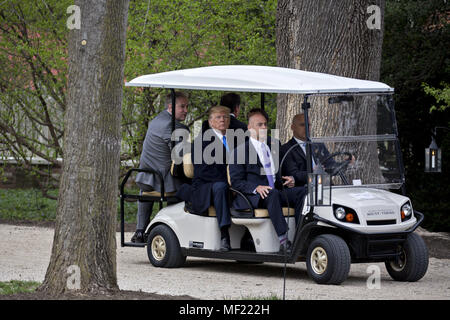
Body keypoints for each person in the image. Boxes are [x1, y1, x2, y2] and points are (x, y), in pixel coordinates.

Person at [229, 108, 306, 252]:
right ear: (249, 127)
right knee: (272, 194)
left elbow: (278, 171)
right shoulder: (240, 151)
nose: (264, 128)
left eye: (265, 124)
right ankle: (283, 239)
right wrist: (256, 187)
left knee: (303, 191)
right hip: (253, 196)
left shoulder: (274, 145)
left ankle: (301, 236)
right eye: (259, 125)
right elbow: (236, 182)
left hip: (275, 191)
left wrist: (289, 179)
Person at [131, 91, 189, 243]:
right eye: (182, 107)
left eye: (187, 106)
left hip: (146, 178)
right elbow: (183, 157)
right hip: (165, 181)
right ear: (171, 106)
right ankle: (174, 231)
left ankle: (140, 230)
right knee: (195, 185)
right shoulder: (174, 127)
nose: (186, 110)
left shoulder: (156, 121)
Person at [176, 106, 233, 251]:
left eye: (225, 117)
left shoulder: (234, 140)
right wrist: (228, 180)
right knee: (221, 187)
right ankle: (224, 235)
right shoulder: (202, 142)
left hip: (232, 183)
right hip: (207, 185)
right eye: (218, 117)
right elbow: (204, 172)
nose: (222, 120)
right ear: (211, 122)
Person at [280, 113, 355, 186]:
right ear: (292, 127)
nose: (306, 128)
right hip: (305, 190)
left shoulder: (318, 145)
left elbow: (330, 166)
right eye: (302, 125)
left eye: (308, 125)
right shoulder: (287, 149)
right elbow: (293, 174)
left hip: (326, 188)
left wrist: (345, 163)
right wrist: (313, 172)